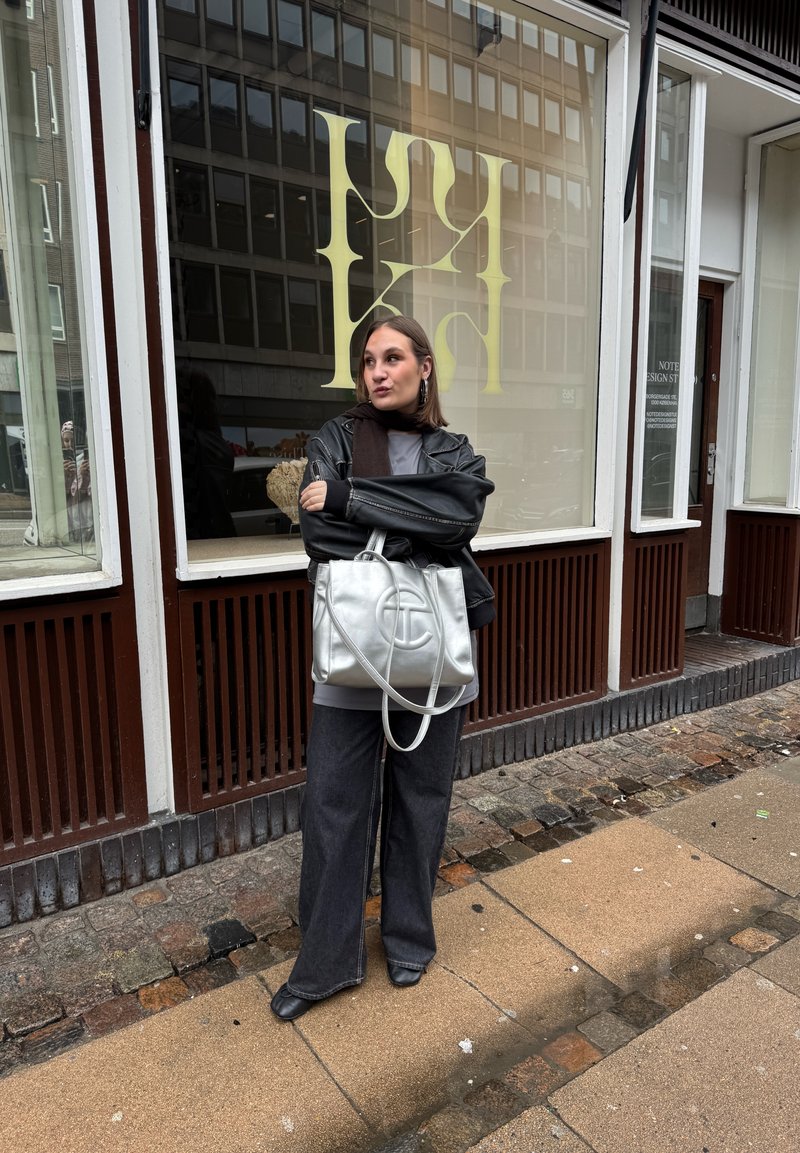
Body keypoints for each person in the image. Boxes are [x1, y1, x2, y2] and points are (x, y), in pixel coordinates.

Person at [270, 315, 496, 1021]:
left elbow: (459, 515)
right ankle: (327, 962)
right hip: (351, 653)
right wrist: (408, 519)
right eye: (368, 359)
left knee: (421, 802)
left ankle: (407, 938)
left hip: (432, 659)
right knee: (334, 807)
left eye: (393, 357)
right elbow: (319, 531)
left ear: (424, 366)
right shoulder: (333, 439)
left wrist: (350, 497)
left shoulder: (453, 449)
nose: (378, 371)